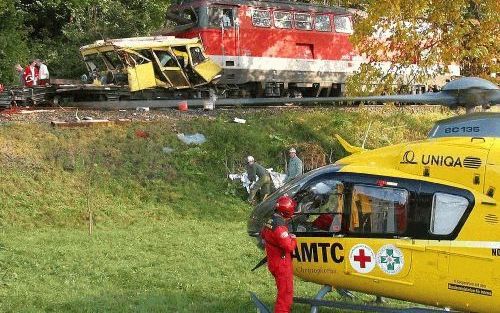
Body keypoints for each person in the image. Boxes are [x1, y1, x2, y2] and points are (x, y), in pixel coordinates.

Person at [261, 195, 297, 313]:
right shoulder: (279, 227)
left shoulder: (270, 220)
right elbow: (289, 246)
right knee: (285, 293)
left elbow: (263, 235)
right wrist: (293, 239)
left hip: (273, 262)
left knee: (283, 291)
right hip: (282, 264)